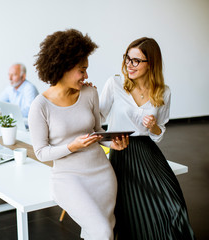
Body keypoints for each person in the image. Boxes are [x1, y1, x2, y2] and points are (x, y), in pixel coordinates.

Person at [28, 29, 128, 240]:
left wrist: (112, 144)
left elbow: (98, 132)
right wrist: (72, 146)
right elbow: (41, 152)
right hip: (68, 179)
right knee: (101, 231)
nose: (86, 76)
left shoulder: (89, 93)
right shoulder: (40, 106)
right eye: (81, 70)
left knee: (103, 230)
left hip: (102, 173)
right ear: (63, 67)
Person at [99, 37, 195, 239]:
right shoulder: (115, 84)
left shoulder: (163, 92)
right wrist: (108, 142)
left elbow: (158, 135)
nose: (129, 65)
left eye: (136, 60)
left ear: (151, 63)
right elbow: (96, 120)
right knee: (135, 214)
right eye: (127, 58)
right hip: (121, 152)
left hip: (148, 153)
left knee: (174, 206)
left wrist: (153, 127)